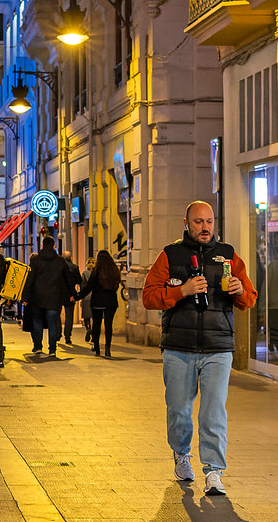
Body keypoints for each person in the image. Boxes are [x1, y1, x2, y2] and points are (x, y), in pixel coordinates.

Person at [142, 200, 256, 496]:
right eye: (198, 222)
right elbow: (149, 297)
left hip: (218, 348)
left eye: (209, 221)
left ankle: (214, 471)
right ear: (186, 223)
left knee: (213, 412)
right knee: (179, 410)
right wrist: (182, 291)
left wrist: (240, 291)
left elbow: (249, 298)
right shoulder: (170, 255)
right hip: (178, 348)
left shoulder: (228, 255)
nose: (205, 227)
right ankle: (181, 454)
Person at [75, 251, 125, 358]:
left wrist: (77, 297)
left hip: (97, 301)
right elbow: (116, 285)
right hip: (111, 302)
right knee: (108, 325)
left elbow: (88, 287)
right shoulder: (114, 271)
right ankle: (107, 348)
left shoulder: (96, 271)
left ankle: (97, 348)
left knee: (96, 325)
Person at [27, 237, 70, 359]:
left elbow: (30, 280)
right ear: (53, 246)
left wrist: (25, 297)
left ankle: (38, 347)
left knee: (37, 322)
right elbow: (68, 278)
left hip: (38, 297)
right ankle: (52, 349)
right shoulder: (60, 261)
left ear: (42, 245)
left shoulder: (36, 261)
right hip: (54, 297)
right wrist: (72, 294)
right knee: (52, 324)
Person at [60, 250, 82, 344]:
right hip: (70, 294)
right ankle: (67, 336)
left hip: (58, 294)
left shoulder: (58, 267)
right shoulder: (74, 267)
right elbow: (79, 281)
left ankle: (57, 333)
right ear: (70, 258)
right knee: (69, 316)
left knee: (56, 314)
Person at [79, 256, 96, 343]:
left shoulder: (85, 273)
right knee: (95, 316)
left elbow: (83, 285)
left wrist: (80, 296)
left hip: (86, 296)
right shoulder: (96, 272)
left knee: (86, 316)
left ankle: (88, 328)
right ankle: (93, 333)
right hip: (95, 295)